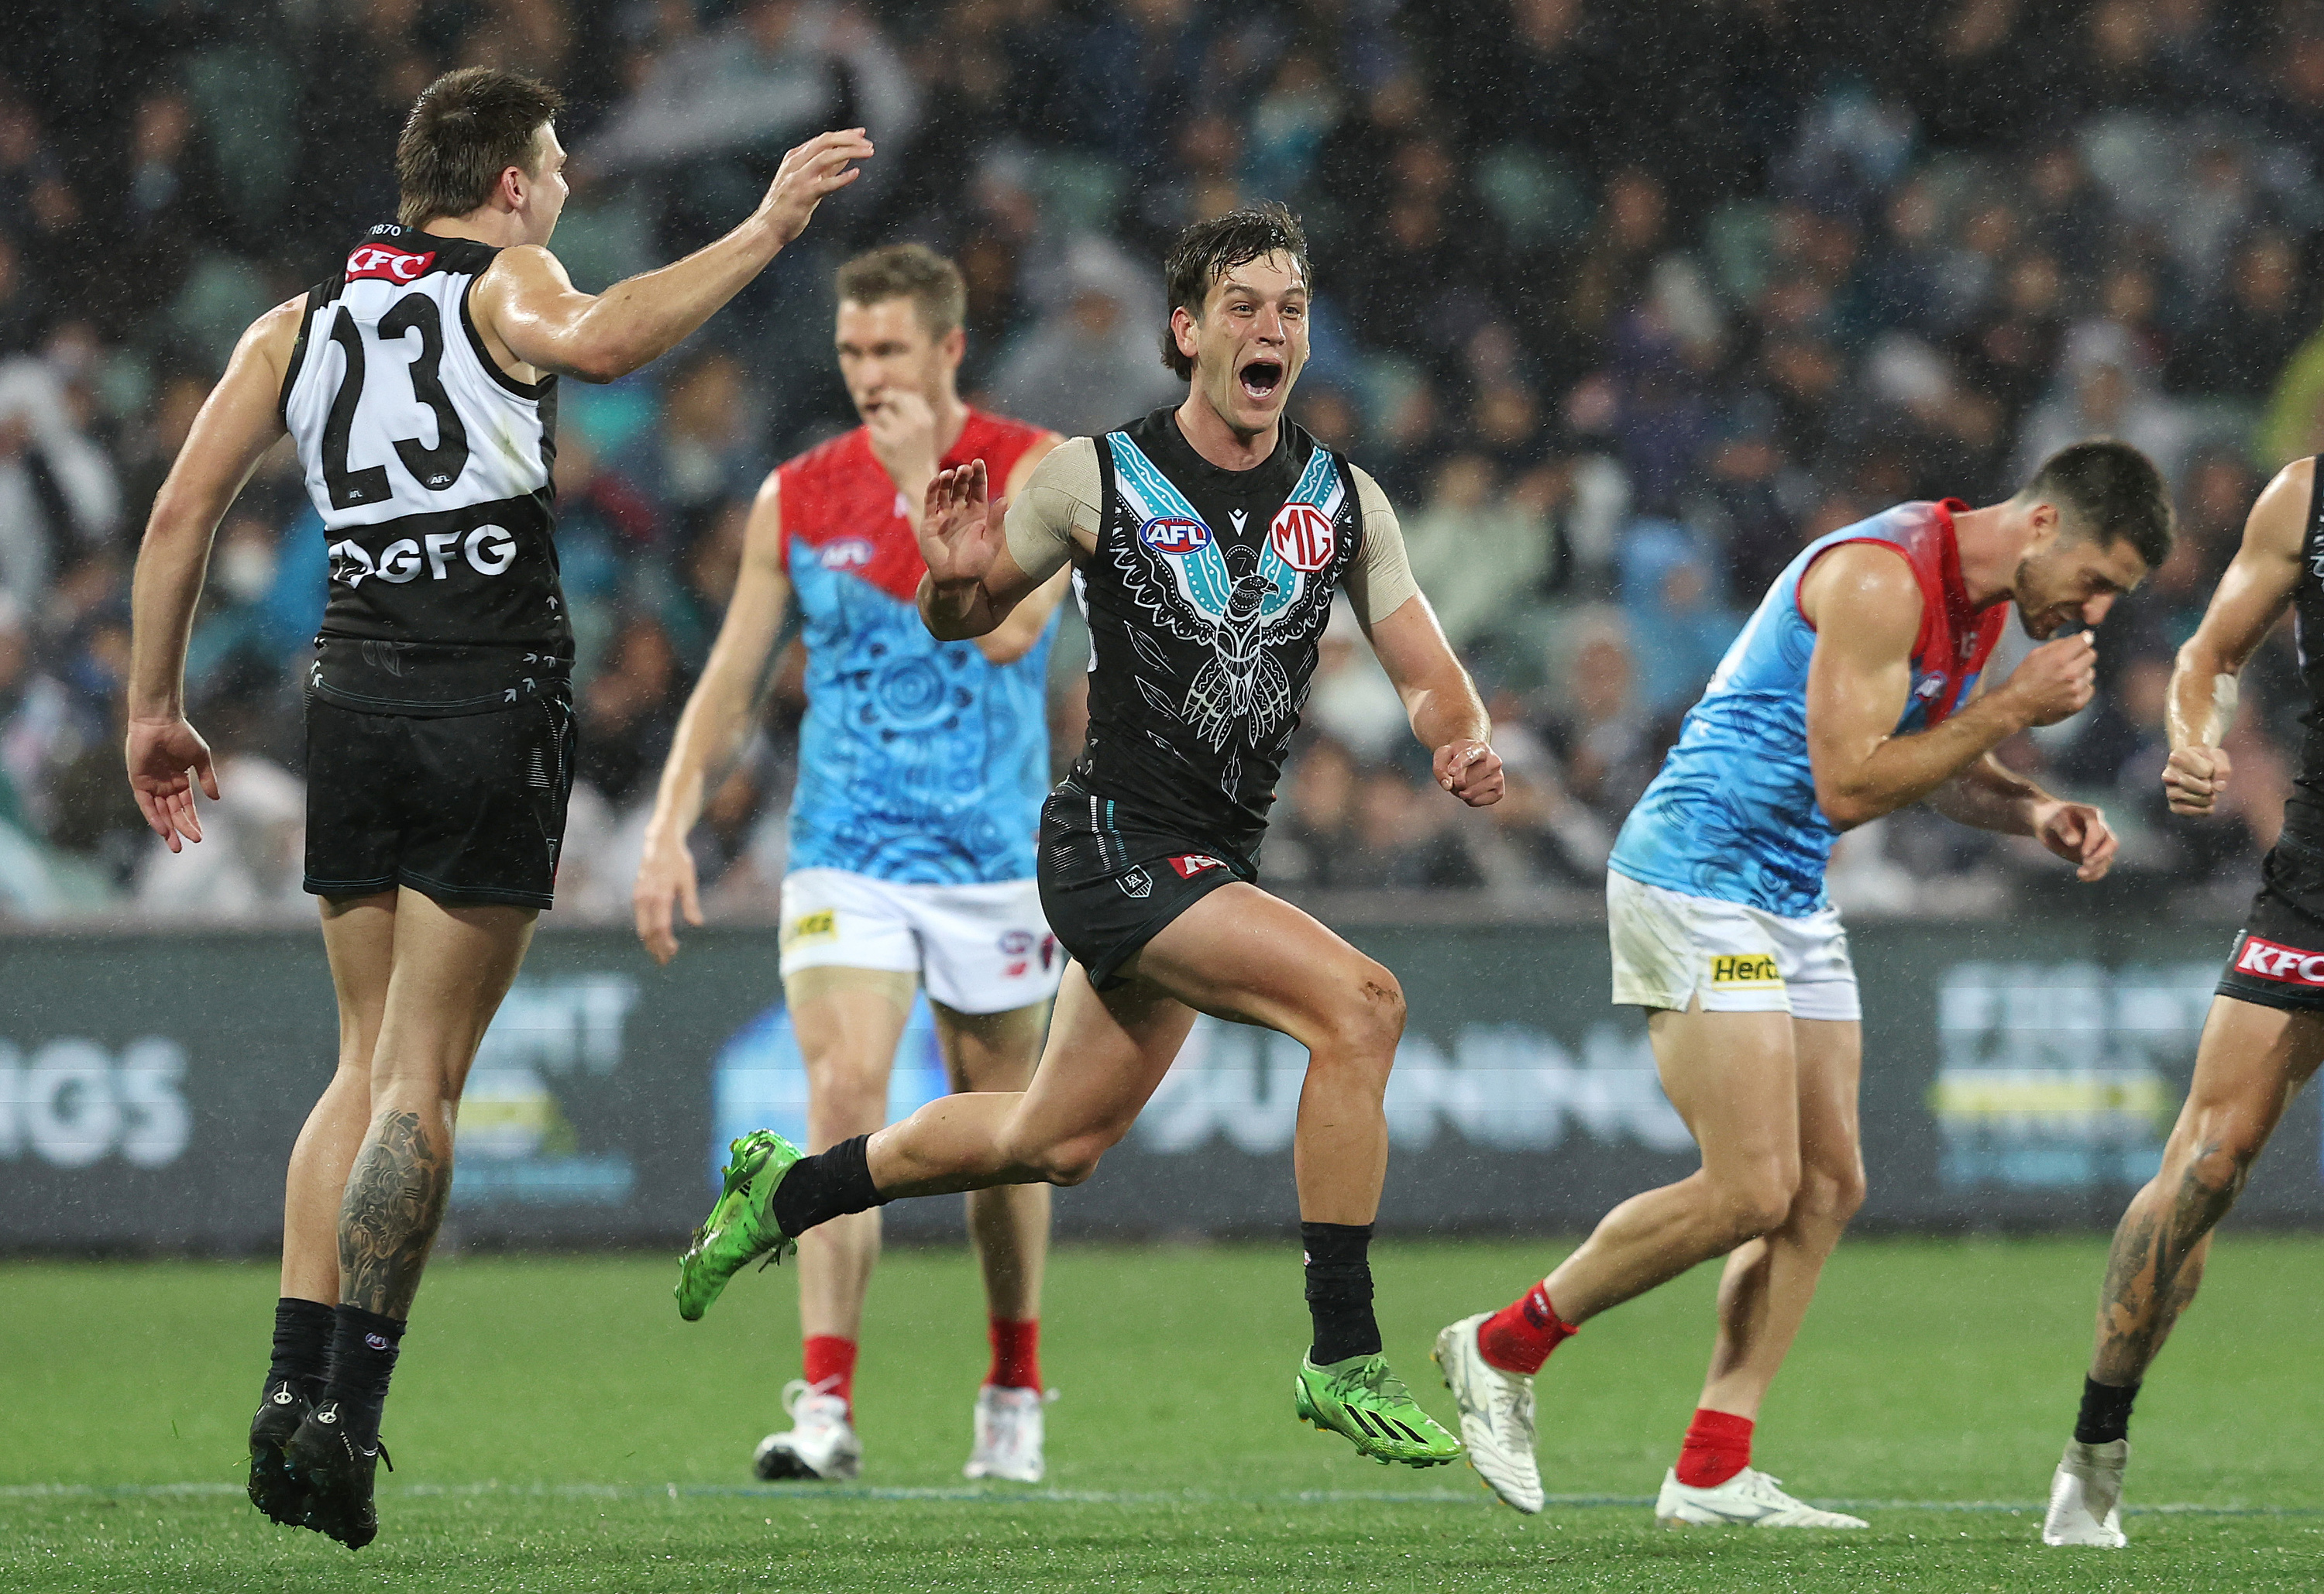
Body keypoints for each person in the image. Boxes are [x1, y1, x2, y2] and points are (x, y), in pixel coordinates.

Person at [122, 65, 871, 1550]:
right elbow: (602, 337)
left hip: (354, 694)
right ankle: (350, 1408)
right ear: (509, 185)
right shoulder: (505, 281)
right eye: (557, 162)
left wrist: (154, 708)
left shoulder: (299, 324)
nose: (569, 181)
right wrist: (766, 228)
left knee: (357, 1064)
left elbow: (179, 512)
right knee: (426, 1084)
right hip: (486, 698)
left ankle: (283, 1386)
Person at [672, 202, 1503, 1469]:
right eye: (1243, 306)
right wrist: (949, 572)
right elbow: (969, 624)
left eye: (1290, 307)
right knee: (1363, 1005)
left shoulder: (1343, 498)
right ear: (1187, 332)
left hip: (1203, 863)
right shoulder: (1092, 476)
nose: (1271, 327)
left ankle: (786, 1190)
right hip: (1111, 840)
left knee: (1045, 1140)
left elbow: (1427, 667)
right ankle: (1344, 1351)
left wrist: (1461, 734)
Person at [1435, 440, 2173, 1527]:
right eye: (2100, 580)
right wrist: (2014, 706)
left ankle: (1710, 1467)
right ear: (2046, 525)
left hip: (1786, 897)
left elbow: (1933, 759)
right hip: (1697, 880)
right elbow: (1848, 779)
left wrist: (2031, 812)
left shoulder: (1977, 604)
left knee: (1827, 1186)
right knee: (1750, 1188)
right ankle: (1501, 1346)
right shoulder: (1883, 578)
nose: (2099, 610)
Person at [632, 242, 1068, 1484]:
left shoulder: (1029, 469)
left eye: (890, 350)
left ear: (948, 351)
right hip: (848, 851)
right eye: (851, 350)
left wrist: (935, 501)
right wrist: (670, 821)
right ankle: (825, 1403)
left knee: (1011, 1137)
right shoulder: (798, 496)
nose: (869, 371)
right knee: (842, 1100)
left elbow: (1016, 636)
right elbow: (731, 678)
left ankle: (1014, 1381)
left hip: (990, 852)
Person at [2039, 452, 2324, 1547]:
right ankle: (2093, 1454)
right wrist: (2194, 736)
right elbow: (2209, 650)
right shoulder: (2304, 495)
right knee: (2210, 1160)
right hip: (2318, 871)